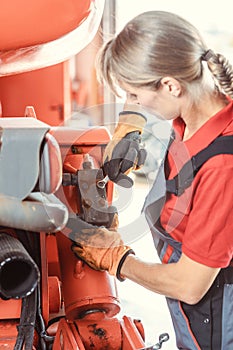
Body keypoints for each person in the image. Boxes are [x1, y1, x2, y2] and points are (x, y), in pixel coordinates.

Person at [67, 11, 233, 349]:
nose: (131, 104)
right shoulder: (194, 110)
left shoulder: (223, 165)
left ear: (171, 85)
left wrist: (118, 259)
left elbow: (190, 285)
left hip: (215, 316)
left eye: (133, 94)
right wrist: (130, 128)